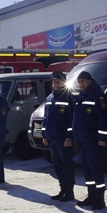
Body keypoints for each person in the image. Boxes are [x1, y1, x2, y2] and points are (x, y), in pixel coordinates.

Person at [72, 71, 107, 210]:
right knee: (87, 170)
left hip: (93, 140)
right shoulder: (81, 96)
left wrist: (102, 138)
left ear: (89, 81)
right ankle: (91, 195)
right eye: (79, 81)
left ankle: (100, 198)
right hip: (83, 140)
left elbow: (102, 119)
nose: (80, 84)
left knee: (96, 169)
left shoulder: (97, 96)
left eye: (82, 81)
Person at [42, 71, 76, 202]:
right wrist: (44, 135)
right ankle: (62, 189)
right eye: (53, 81)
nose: (55, 84)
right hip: (53, 137)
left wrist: (69, 136)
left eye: (58, 81)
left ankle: (69, 191)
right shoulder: (50, 97)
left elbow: (71, 119)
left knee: (66, 164)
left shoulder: (68, 97)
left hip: (63, 139)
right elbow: (46, 118)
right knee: (57, 165)